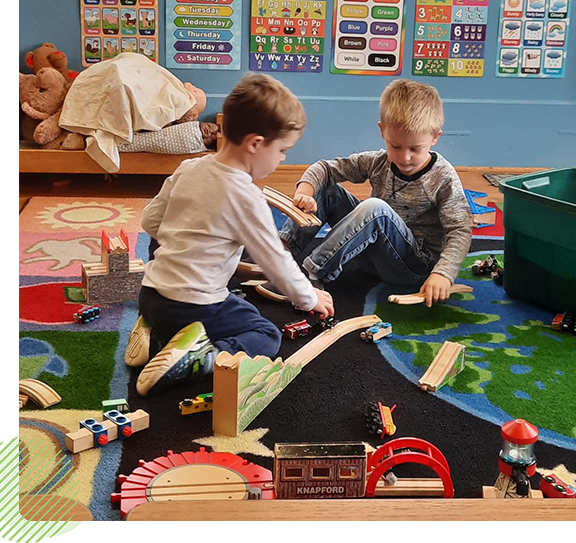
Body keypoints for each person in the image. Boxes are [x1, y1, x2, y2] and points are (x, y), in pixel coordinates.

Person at [125, 73, 335, 396]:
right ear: (255, 144)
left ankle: (155, 333)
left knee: (214, 280)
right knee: (265, 333)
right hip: (192, 307)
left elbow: (151, 222)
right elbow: (275, 262)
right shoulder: (245, 196)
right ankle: (200, 356)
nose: (282, 160)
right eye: (282, 151)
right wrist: (309, 297)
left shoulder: (189, 167)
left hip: (151, 296)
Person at [276, 78, 472, 307]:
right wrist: (305, 193)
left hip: (414, 267)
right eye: (396, 146)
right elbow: (325, 168)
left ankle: (314, 274)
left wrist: (443, 274)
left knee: (375, 209)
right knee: (329, 192)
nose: (404, 157)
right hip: (372, 256)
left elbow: (460, 229)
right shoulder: (379, 161)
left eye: (415, 149)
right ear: (382, 131)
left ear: (435, 138)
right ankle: (281, 252)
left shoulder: (442, 176)